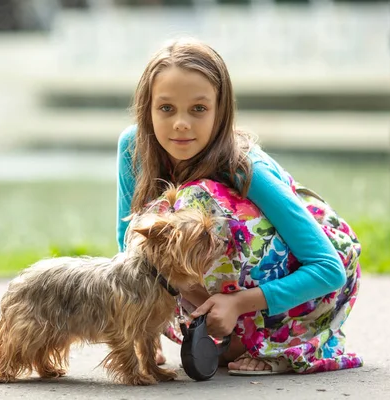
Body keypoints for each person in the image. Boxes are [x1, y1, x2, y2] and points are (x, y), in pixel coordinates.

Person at [116, 37, 362, 375]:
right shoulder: (135, 145)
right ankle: (233, 336)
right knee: (152, 232)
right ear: (148, 109)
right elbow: (129, 241)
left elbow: (327, 268)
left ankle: (268, 339)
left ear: (221, 112)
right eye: (166, 108)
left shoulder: (245, 166)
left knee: (194, 200)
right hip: (223, 277)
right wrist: (142, 322)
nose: (181, 124)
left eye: (199, 109)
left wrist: (237, 303)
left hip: (311, 274)